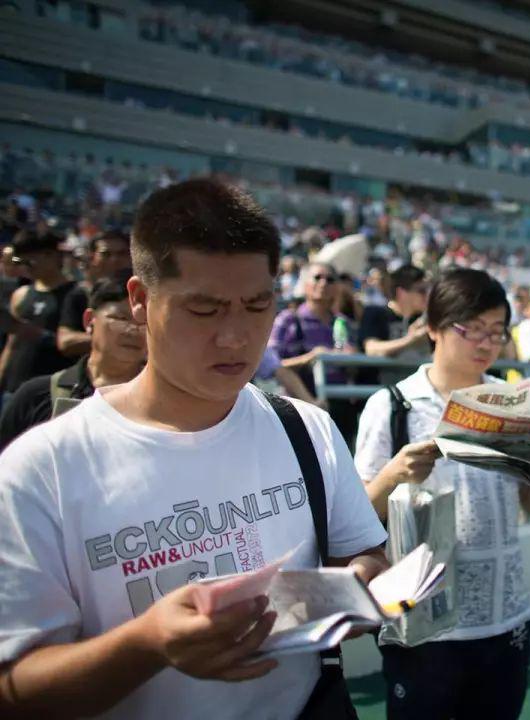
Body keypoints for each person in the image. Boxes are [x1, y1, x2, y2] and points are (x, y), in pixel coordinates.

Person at [0, 178, 389, 718]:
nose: (236, 336)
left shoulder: (307, 430)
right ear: (140, 301)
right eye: (204, 310)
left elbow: (362, 553)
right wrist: (147, 645)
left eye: (257, 305)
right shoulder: (40, 470)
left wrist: (361, 586)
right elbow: (15, 688)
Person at [354, 268, 530, 720]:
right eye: (473, 329)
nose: (487, 343)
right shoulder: (393, 406)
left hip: (505, 613)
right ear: (433, 328)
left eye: (497, 331)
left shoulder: (512, 403)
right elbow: (358, 515)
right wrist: (393, 474)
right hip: (421, 619)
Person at [0, 275, 145, 451]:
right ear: (89, 321)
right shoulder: (36, 397)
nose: (133, 330)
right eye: (121, 318)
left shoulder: (164, 403)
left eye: (144, 322)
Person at [269, 262, 359, 449]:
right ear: (304, 284)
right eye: (317, 278)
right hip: (297, 410)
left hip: (339, 411)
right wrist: (310, 357)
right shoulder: (288, 319)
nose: (323, 283)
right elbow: (272, 364)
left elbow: (354, 371)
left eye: (330, 279)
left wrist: (352, 358)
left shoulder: (343, 323)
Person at [0, 230, 77, 393]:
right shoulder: (21, 294)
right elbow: (11, 344)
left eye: (30, 261)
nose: (25, 268)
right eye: (22, 262)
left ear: (51, 256)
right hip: (14, 387)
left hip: (53, 387)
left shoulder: (76, 294)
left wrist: (40, 335)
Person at [57, 229, 132, 358]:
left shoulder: (146, 294)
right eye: (106, 254)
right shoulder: (79, 295)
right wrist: (117, 337)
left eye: (122, 254)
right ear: (92, 258)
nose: (115, 260)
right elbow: (66, 341)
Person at [357, 263, 430, 384]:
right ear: (401, 292)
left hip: (412, 389)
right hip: (378, 389)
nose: (427, 295)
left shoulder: (423, 320)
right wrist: (410, 339)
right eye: (421, 291)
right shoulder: (375, 313)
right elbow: (372, 349)